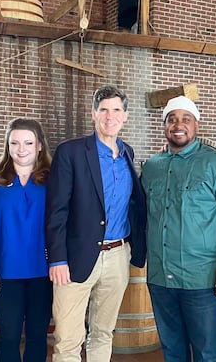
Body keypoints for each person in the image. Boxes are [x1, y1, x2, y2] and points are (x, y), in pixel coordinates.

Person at [141, 95, 216, 362]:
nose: (179, 125)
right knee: (172, 350)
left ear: (196, 125)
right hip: (160, 276)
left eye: (185, 119)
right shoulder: (152, 167)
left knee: (206, 352)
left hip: (202, 279)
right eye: (172, 119)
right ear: (164, 125)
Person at [45, 85, 147, 362]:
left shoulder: (128, 153)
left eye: (116, 110)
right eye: (103, 110)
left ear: (125, 116)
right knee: (68, 340)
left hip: (117, 256)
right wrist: (56, 259)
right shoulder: (71, 152)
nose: (109, 116)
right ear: (93, 114)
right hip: (75, 257)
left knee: (103, 333)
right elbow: (56, 210)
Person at [0, 118, 54, 362]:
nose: (21, 149)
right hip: (4, 273)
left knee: (37, 337)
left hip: (43, 272)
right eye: (15, 143)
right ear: (7, 146)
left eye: (28, 143)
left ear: (40, 145)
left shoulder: (54, 179)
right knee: (8, 337)